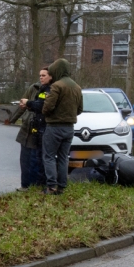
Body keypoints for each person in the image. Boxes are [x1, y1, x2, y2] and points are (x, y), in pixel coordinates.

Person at [40, 58, 83, 196]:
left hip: (54, 127)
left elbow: (47, 108)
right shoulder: (77, 87)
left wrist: (47, 109)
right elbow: (80, 109)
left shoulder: (57, 86)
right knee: (64, 157)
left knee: (49, 157)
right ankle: (62, 187)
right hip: (69, 128)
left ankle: (51, 187)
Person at [11, 68, 52, 190]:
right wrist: (11, 119)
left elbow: (41, 107)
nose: (41, 77)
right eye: (40, 75)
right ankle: (25, 185)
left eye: (44, 75)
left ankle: (35, 186)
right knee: (25, 160)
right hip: (27, 127)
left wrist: (29, 104)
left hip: (41, 127)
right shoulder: (33, 88)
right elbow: (21, 106)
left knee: (37, 160)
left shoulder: (52, 90)